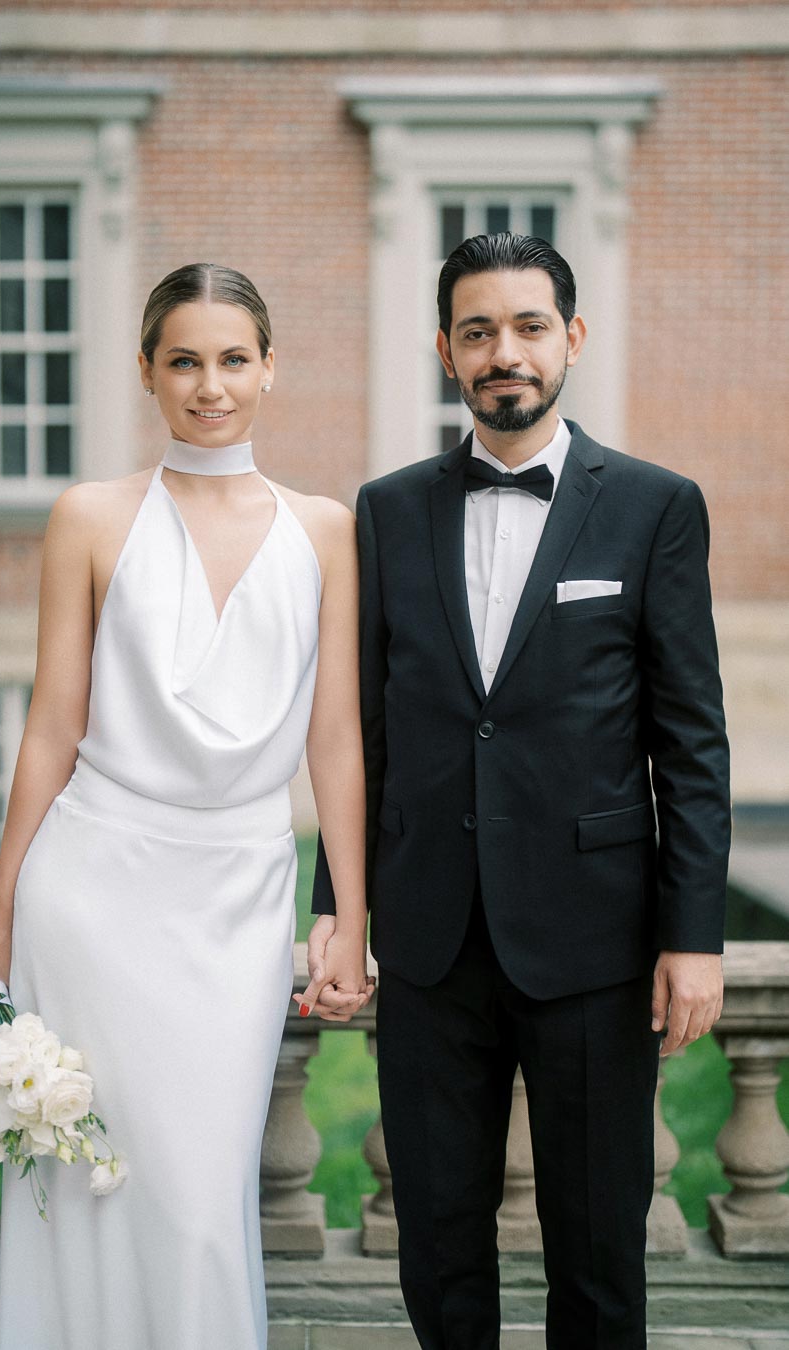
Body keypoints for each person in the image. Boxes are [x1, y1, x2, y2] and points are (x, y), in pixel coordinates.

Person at [307, 233, 731, 1348]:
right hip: (431, 935)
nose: (508, 352)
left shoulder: (654, 507)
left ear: (572, 340)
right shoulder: (386, 511)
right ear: (447, 351)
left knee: (598, 1253)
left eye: (530, 327)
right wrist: (335, 909)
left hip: (596, 942)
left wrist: (696, 937)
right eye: (480, 331)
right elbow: (363, 726)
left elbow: (691, 742)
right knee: (439, 1249)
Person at [0, 262, 372, 1349]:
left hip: (238, 897)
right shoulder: (89, 517)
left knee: (195, 1201)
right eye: (183, 360)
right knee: (81, 1182)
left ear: (270, 369)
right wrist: (0, 910)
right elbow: (52, 724)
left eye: (233, 358)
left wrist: (351, 918)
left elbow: (336, 739)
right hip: (92, 890)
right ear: (146, 370)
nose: (209, 384)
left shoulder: (325, 529)